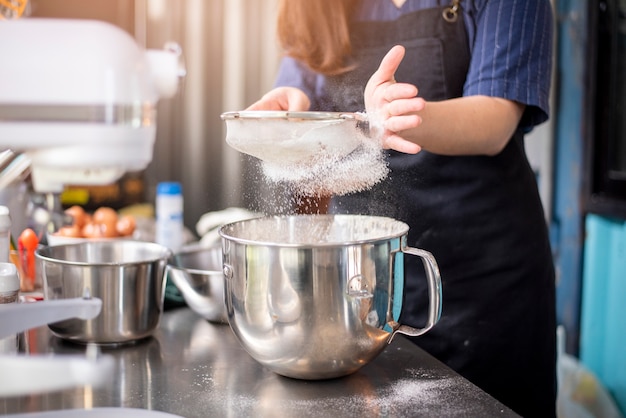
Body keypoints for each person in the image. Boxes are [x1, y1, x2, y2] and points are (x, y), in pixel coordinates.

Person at [247, 1, 557, 416]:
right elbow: (304, 85)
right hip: (364, 278)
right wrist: (292, 111)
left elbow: (495, 119)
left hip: (485, 279)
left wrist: (399, 119)